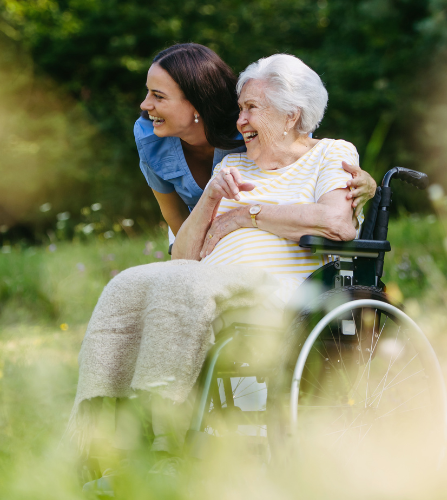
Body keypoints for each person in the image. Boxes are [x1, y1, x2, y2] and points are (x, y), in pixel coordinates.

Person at [78, 52, 367, 494]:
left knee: (185, 288)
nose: (240, 119)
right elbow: (184, 258)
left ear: (291, 115)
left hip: (277, 290)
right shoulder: (232, 165)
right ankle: (100, 439)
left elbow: (337, 221)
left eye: (251, 107)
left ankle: (165, 449)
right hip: (208, 282)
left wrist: (249, 214)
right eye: (240, 107)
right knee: (127, 284)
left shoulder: (330, 154)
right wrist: (213, 198)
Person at [135, 43, 376, 244]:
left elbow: (302, 147)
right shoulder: (149, 136)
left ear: (197, 103)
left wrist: (365, 184)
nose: (144, 105)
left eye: (158, 96)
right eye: (148, 93)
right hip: (196, 229)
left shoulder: (248, 127)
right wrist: (196, 258)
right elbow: (175, 214)